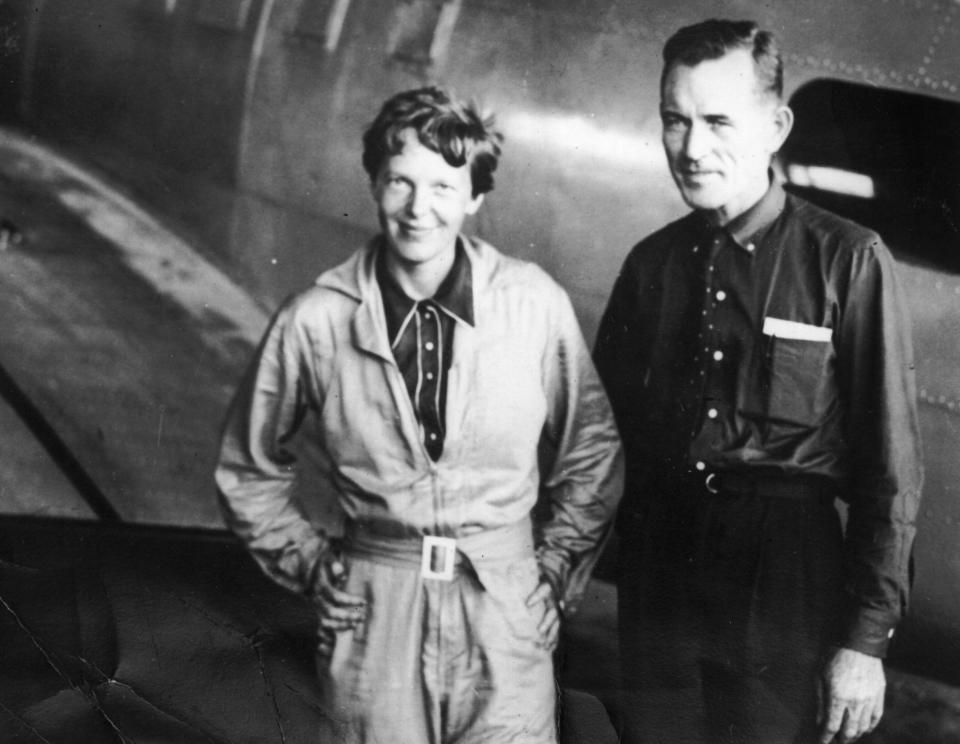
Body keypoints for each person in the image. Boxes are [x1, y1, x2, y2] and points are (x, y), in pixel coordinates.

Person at [215, 86, 623, 744]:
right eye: (399, 181)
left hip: (503, 609)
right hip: (376, 613)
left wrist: (551, 574)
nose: (418, 208)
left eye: (442, 185)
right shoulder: (317, 318)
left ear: (475, 197)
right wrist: (315, 567)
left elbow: (593, 454)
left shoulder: (532, 305)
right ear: (374, 184)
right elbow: (247, 468)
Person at [593, 19, 923, 744]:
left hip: (783, 572)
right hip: (662, 564)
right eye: (674, 120)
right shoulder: (650, 265)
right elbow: (596, 442)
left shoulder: (847, 262)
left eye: (717, 121)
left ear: (776, 126)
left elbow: (890, 471)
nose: (691, 146)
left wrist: (864, 642)